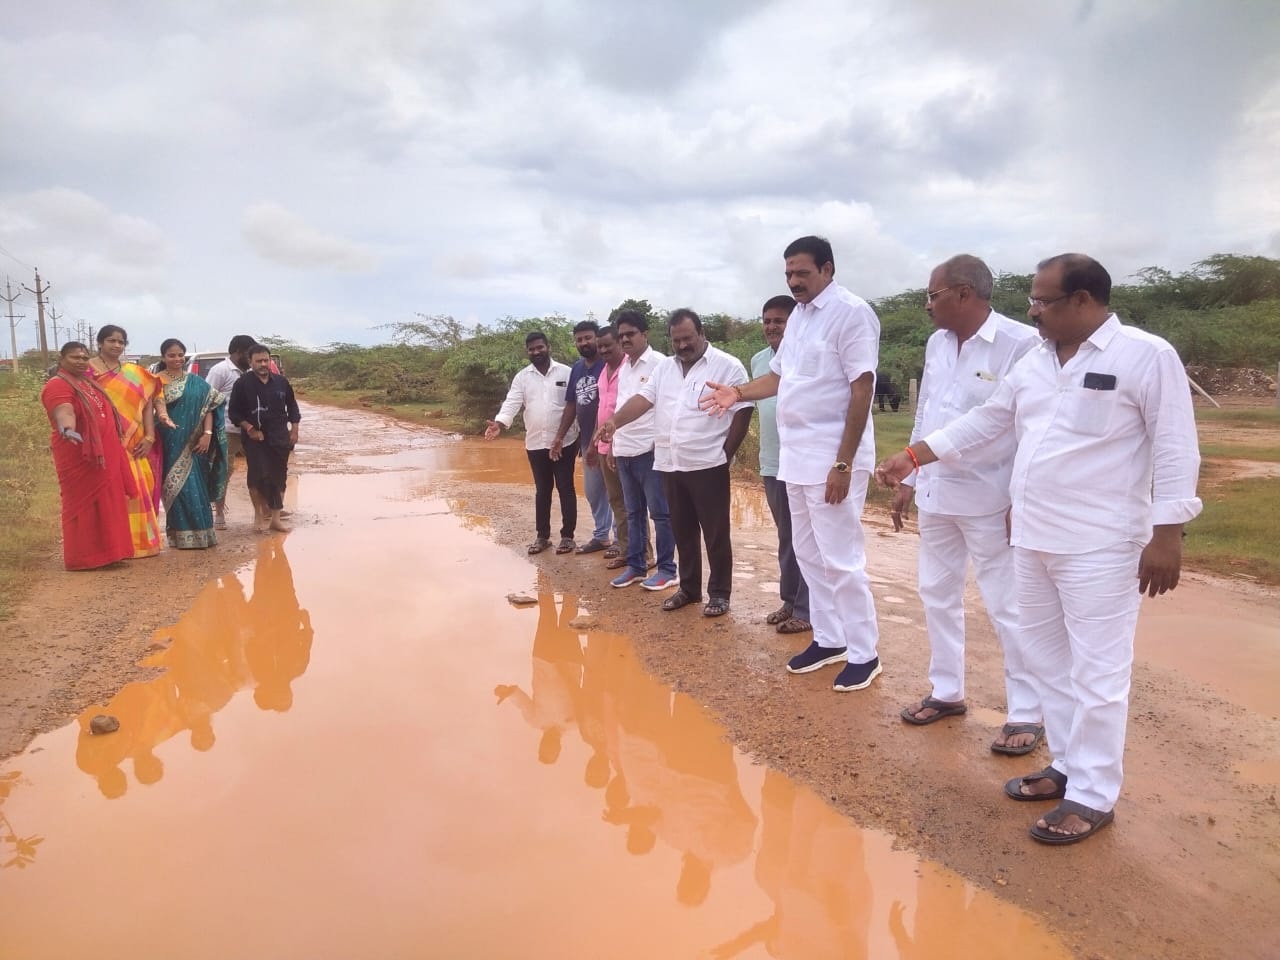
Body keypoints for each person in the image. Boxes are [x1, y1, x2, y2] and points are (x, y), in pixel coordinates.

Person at [876, 253, 1202, 845]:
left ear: (1083, 301)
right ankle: (1070, 765)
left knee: (1099, 671)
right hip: (1032, 537)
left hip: (1101, 544)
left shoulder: (1144, 355)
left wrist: (1168, 532)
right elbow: (987, 421)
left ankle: (1095, 794)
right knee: (1048, 661)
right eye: (1032, 300)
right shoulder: (1034, 361)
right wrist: (917, 455)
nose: (1032, 311)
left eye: (1043, 301)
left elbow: (1176, 447)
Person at [703, 236, 882, 691]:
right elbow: (778, 377)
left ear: (828, 269)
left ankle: (865, 653)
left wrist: (842, 464)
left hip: (831, 459)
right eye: (788, 274)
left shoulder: (853, 314)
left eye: (802, 272)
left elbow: (863, 388)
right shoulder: (799, 319)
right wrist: (738, 393)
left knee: (841, 558)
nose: (794, 282)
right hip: (795, 458)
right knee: (808, 554)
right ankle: (829, 638)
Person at [893, 256, 1046, 754]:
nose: (927, 305)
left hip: (990, 495)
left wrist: (1019, 496)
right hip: (937, 490)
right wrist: (912, 476)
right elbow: (928, 412)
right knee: (935, 592)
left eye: (933, 295)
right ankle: (947, 691)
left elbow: (1017, 423)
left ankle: (1027, 710)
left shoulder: (1020, 343)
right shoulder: (938, 343)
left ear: (963, 294)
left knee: (1008, 605)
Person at [597, 309, 751, 616]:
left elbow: (743, 411)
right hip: (669, 463)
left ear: (702, 333)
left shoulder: (727, 366)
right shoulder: (665, 368)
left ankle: (719, 594)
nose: (682, 346)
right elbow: (643, 400)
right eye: (676, 340)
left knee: (715, 532)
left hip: (708, 463)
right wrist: (616, 421)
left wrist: (726, 454)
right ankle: (689, 589)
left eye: (688, 339)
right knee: (683, 529)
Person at [39, 342, 137, 570]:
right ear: (61, 359)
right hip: (79, 455)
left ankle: (111, 554)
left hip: (105, 456)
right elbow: (64, 410)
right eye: (75, 357)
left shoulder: (87, 382)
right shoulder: (57, 385)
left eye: (84, 358)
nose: (81, 361)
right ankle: (85, 558)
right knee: (85, 506)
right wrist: (67, 429)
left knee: (109, 502)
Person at [485, 331, 578, 554]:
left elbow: (574, 405)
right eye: (531, 349)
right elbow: (512, 402)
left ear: (548, 347)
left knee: (566, 488)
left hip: (565, 441)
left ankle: (567, 537)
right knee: (542, 490)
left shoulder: (566, 372)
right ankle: (542, 537)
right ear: (527, 352)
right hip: (536, 443)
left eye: (539, 347)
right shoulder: (522, 377)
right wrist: (499, 423)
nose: (536, 352)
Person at [751, 295, 812, 636]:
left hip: (802, 463)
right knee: (786, 537)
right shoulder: (759, 361)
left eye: (780, 320)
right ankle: (790, 600)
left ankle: (807, 608)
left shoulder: (805, 358)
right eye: (767, 320)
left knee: (805, 538)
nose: (772, 326)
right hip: (771, 464)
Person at [606, 311, 677, 591]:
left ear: (645, 334)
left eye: (630, 334)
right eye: (621, 335)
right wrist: (613, 446)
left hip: (649, 451)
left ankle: (668, 569)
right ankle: (636, 566)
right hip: (624, 450)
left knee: (660, 514)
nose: (625, 339)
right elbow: (619, 409)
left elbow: (666, 408)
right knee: (633, 512)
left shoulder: (661, 364)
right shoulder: (624, 367)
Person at [88, 324, 167, 558]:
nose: (117, 345)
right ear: (100, 343)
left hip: (134, 442)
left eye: (121, 342)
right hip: (101, 442)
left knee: (135, 491)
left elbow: (149, 403)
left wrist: (150, 436)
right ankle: (110, 545)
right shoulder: (87, 371)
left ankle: (138, 543)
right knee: (106, 492)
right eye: (111, 340)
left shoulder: (135, 373)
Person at [155, 338, 229, 549]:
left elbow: (209, 407)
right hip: (168, 442)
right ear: (163, 357)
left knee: (196, 486)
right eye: (171, 355)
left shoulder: (196, 381)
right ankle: (180, 536)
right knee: (174, 488)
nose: (177, 359)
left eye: (180, 355)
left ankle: (203, 534)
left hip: (195, 444)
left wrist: (207, 434)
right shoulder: (155, 381)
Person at [550, 320, 613, 554]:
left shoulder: (609, 365)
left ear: (598, 338)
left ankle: (621, 541)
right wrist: (559, 436)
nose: (584, 342)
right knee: (593, 491)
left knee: (617, 492)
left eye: (588, 337)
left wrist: (600, 440)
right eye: (579, 339)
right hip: (586, 440)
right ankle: (601, 536)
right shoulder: (577, 368)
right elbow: (571, 405)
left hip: (609, 439)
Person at [227, 342, 301, 533]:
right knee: (257, 476)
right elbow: (234, 412)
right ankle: (258, 516)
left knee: (279, 475)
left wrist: (294, 429)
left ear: (270, 361)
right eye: (258, 361)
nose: (263, 364)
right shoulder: (242, 384)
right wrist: (249, 428)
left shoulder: (281, 382)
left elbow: (292, 406)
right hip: (254, 439)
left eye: (266, 360)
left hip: (279, 436)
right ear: (250, 362)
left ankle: (275, 519)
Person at [595, 327, 653, 571]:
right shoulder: (610, 371)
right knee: (620, 502)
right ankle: (628, 550)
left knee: (646, 507)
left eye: (611, 344)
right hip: (616, 444)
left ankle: (647, 555)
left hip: (644, 447)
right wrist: (610, 446)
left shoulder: (652, 365)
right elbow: (611, 408)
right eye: (603, 346)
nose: (606, 349)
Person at [204, 334, 256, 530]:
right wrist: (207, 431)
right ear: (237, 352)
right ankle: (219, 512)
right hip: (226, 428)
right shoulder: (220, 370)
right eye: (248, 353)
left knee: (260, 468)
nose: (251, 358)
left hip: (250, 428)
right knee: (223, 471)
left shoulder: (251, 371)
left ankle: (266, 508)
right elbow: (207, 399)